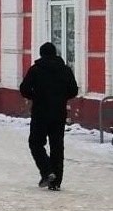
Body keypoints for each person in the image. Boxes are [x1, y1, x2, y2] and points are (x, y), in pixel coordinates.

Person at [18, 41, 79, 191]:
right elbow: (73, 91)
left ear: (41, 54)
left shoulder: (36, 70)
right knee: (57, 146)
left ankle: (47, 171)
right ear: (55, 54)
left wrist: (35, 96)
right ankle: (56, 182)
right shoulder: (65, 70)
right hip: (59, 113)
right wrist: (61, 97)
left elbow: (24, 89)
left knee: (35, 143)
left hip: (40, 112)